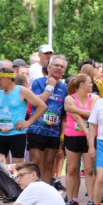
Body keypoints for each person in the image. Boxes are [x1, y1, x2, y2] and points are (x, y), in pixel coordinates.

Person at [0, 68, 46, 167]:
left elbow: (42, 106)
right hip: (0, 134)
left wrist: (28, 122)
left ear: (8, 79)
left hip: (16, 134)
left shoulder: (22, 91)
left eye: (0, 79)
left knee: (17, 167)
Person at [28, 55, 68, 185]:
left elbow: (63, 114)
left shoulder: (64, 88)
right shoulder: (38, 82)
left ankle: (43, 192)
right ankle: (31, 191)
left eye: (62, 67)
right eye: (56, 65)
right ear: (49, 67)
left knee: (49, 164)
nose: (59, 68)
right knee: (35, 162)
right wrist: (49, 87)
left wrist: (62, 136)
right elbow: (38, 101)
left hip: (53, 131)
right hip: (36, 128)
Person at [63, 74, 99, 205]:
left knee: (89, 170)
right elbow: (78, 119)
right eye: (90, 82)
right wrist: (88, 132)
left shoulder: (94, 98)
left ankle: (91, 200)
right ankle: (70, 199)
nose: (92, 85)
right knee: (72, 169)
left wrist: (74, 108)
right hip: (73, 136)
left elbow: (94, 114)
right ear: (82, 85)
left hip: (90, 137)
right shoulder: (69, 98)